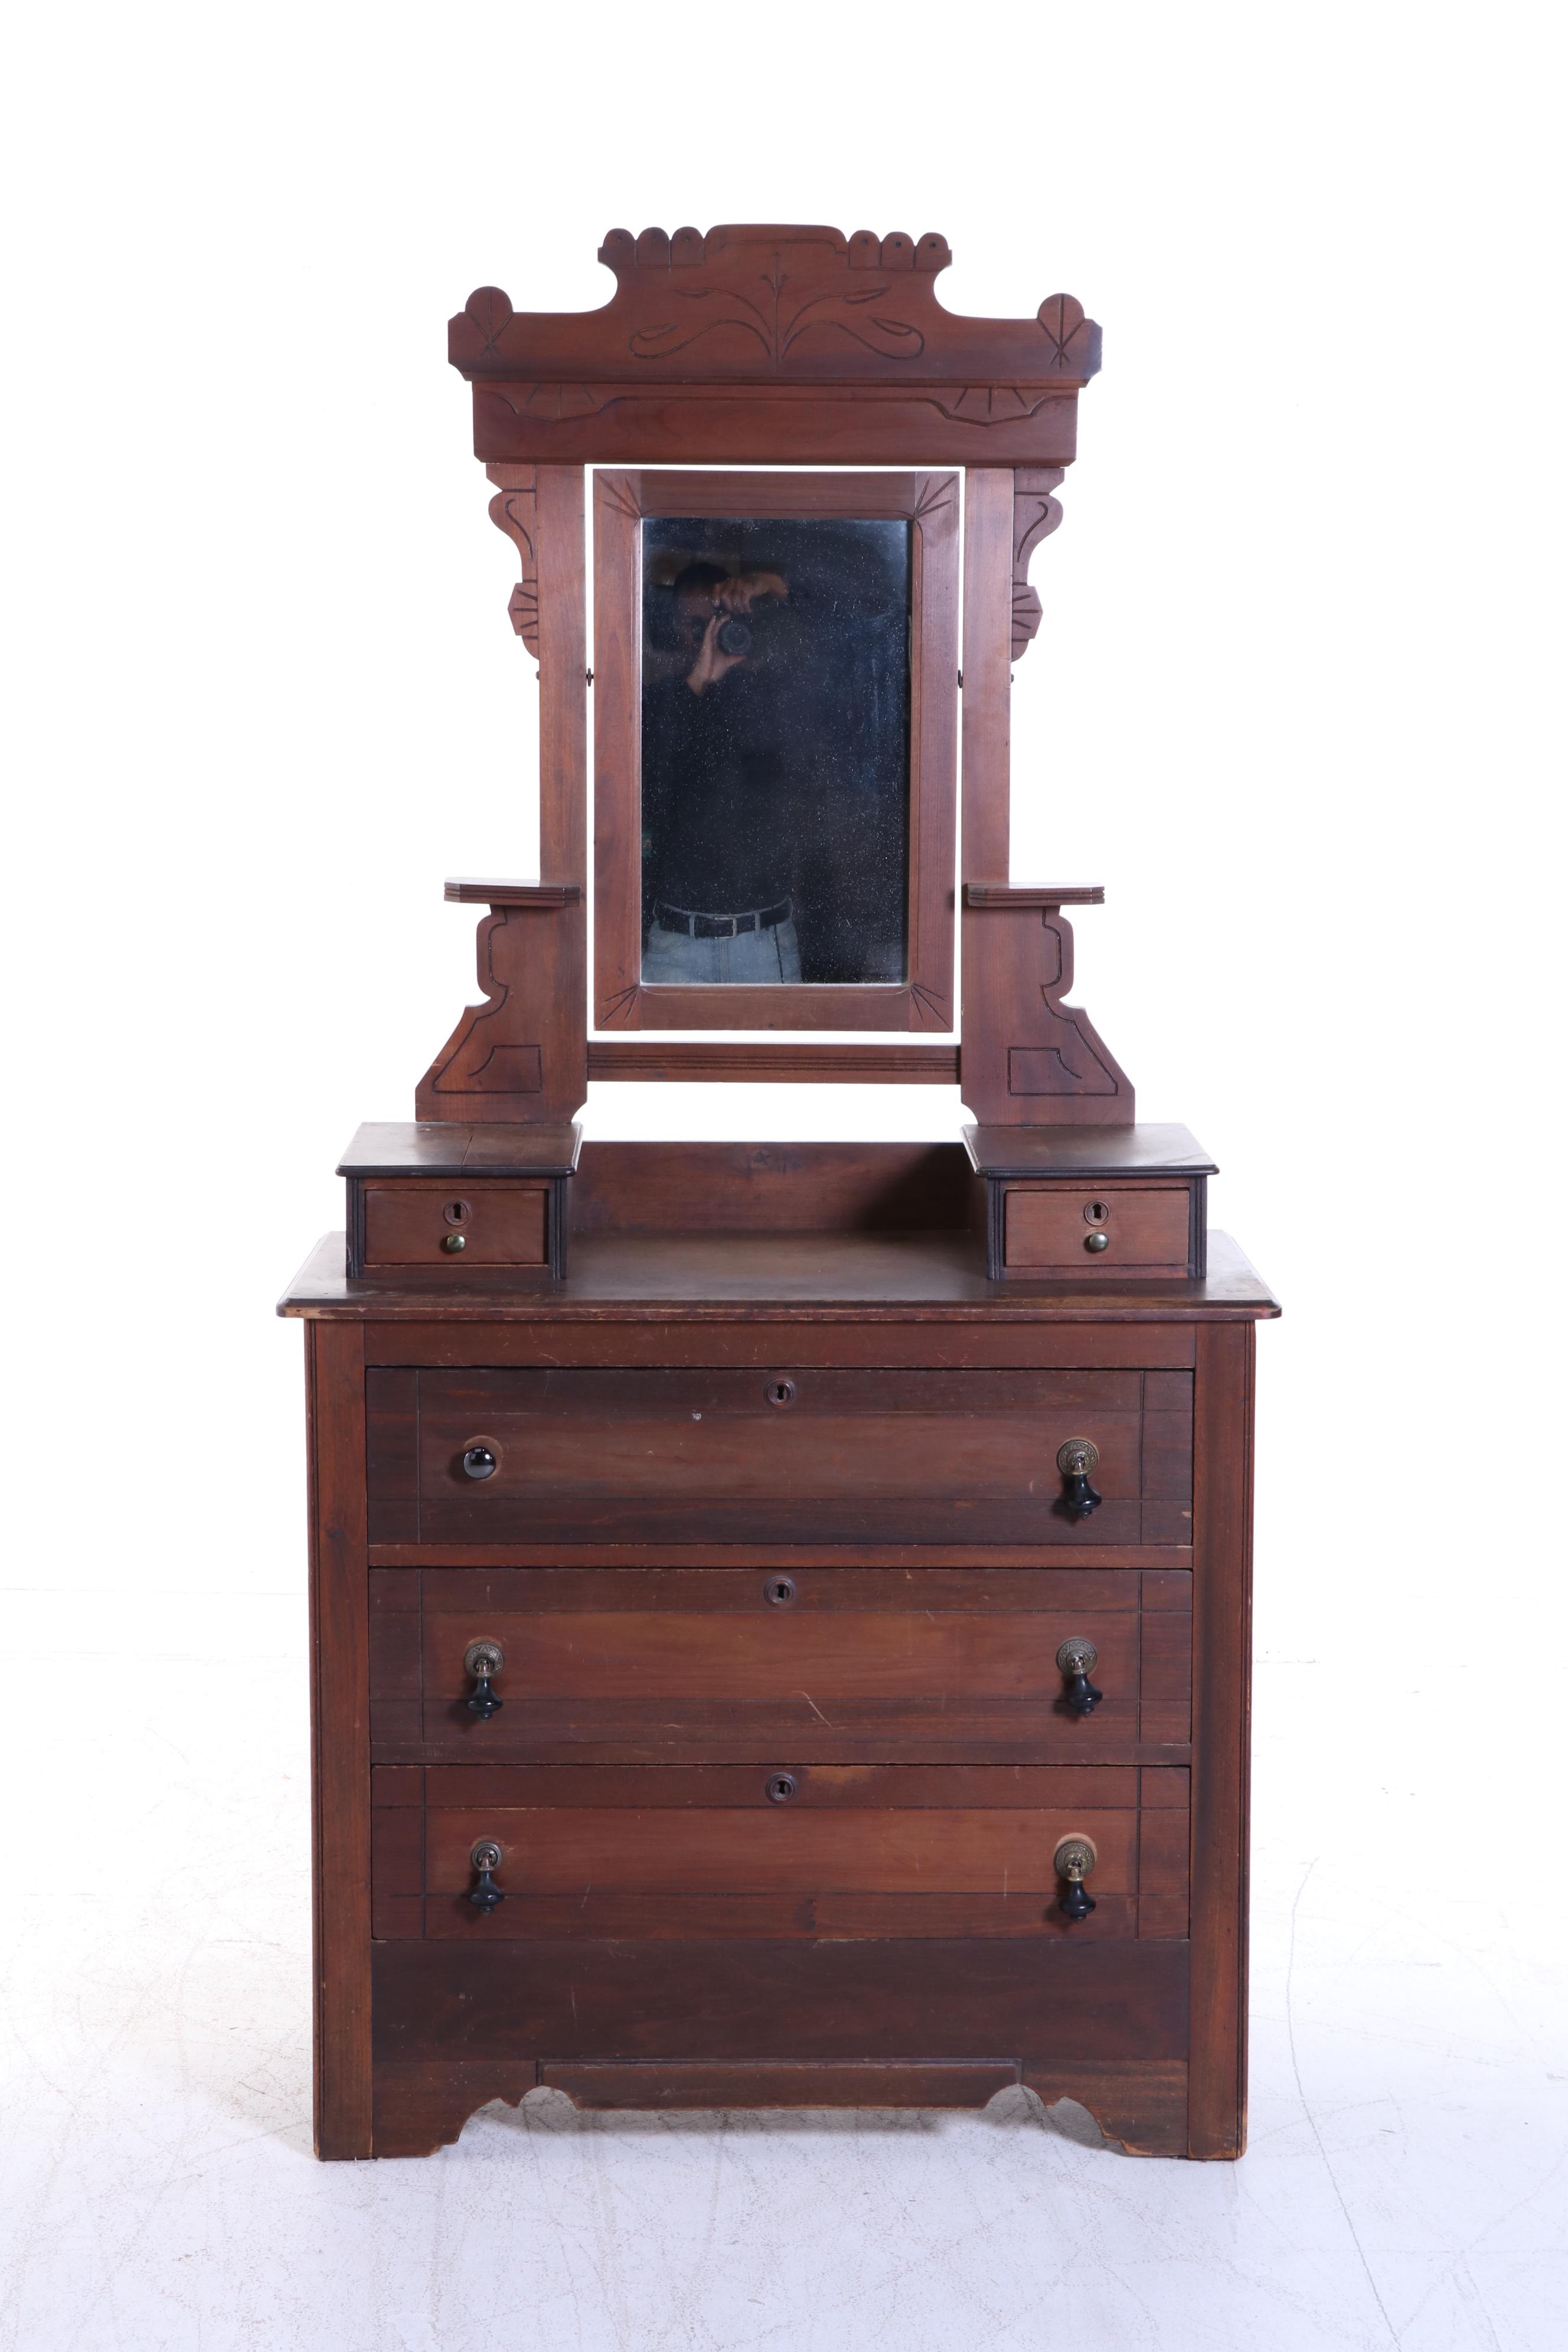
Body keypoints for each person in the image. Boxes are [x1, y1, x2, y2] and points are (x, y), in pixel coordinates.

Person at [640, 560, 806, 984]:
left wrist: (768, 583)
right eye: (692, 626)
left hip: (763, 939)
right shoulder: (658, 704)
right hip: (676, 944)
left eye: (714, 622)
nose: (704, 637)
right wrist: (698, 679)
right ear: (673, 628)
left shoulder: (774, 696)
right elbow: (644, 789)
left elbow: (843, 618)